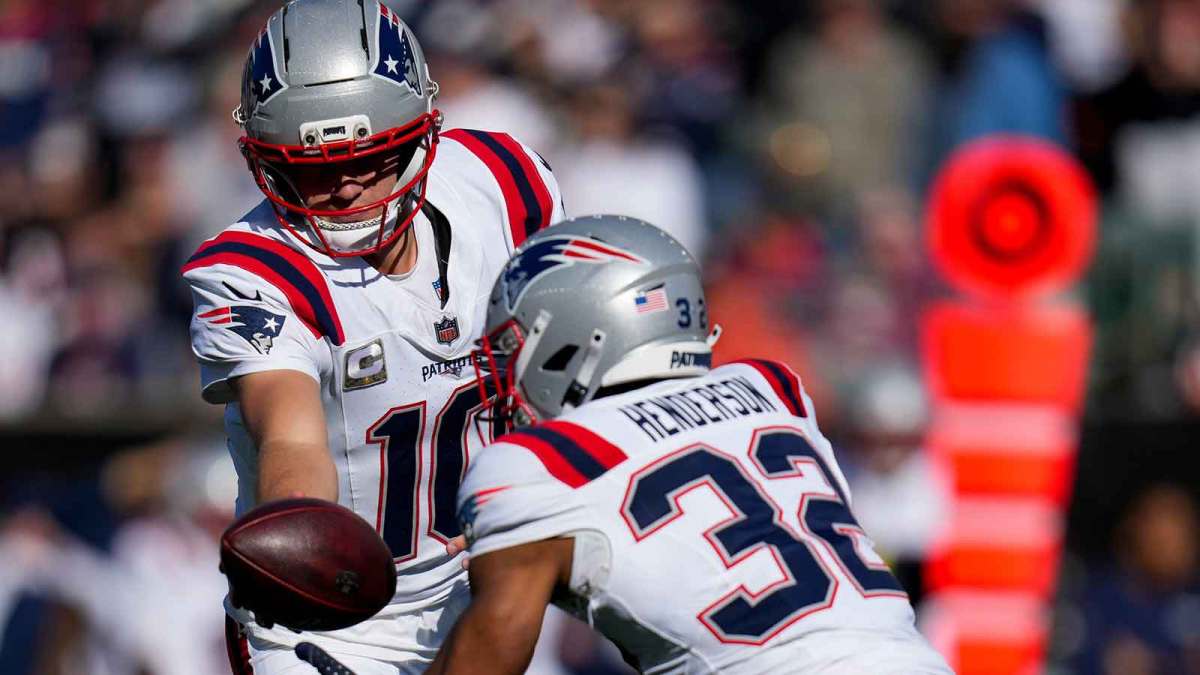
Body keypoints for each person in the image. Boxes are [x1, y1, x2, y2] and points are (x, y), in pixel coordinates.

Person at [181, 2, 564, 673]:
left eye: (373, 156)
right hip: (335, 620)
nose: (348, 186)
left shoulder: (503, 184)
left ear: (420, 132)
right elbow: (291, 438)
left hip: (495, 583)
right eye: (313, 167)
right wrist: (304, 544)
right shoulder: (251, 271)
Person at [427, 215, 952, 674]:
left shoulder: (540, 465)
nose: (505, 375)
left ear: (574, 340)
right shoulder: (773, 393)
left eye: (512, 347)